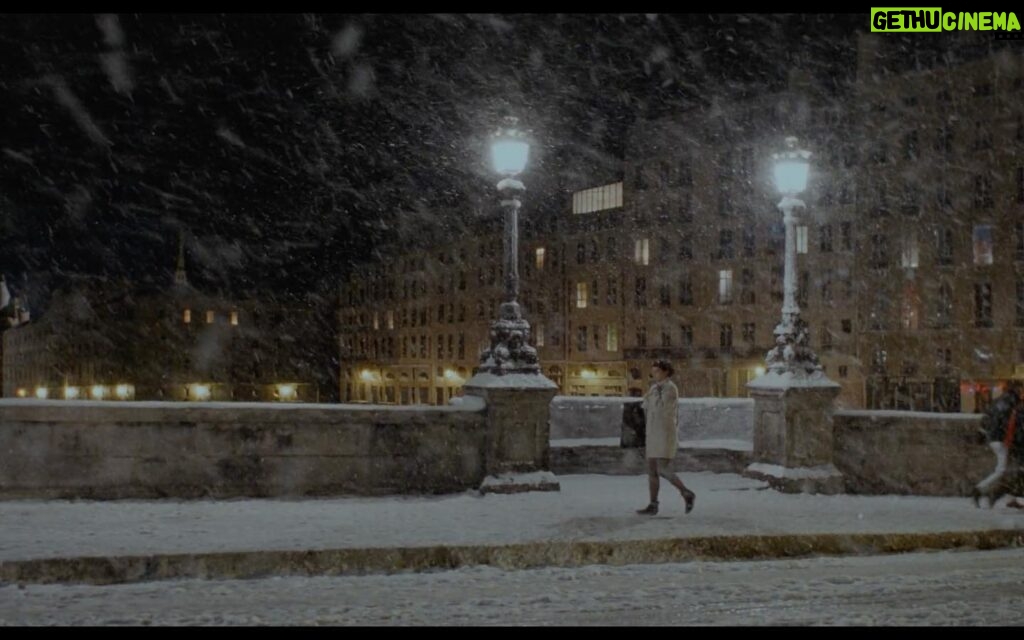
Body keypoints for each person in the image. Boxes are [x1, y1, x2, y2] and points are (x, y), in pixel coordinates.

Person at [636, 359, 696, 516]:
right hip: (653, 432)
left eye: (657, 371)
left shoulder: (670, 388)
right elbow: (646, 405)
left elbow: (662, 409)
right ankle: (653, 503)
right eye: (653, 371)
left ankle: (686, 492)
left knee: (663, 468)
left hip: (664, 432)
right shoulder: (654, 388)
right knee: (652, 470)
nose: (654, 374)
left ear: (665, 372)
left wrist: (651, 401)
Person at [973, 380, 1024, 509]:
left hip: (994, 437)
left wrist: (983, 431)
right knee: (1002, 469)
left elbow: (988, 416)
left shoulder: (998, 401)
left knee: (1012, 469)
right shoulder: (1013, 402)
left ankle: (1008, 498)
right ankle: (979, 489)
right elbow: (1013, 422)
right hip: (1003, 438)